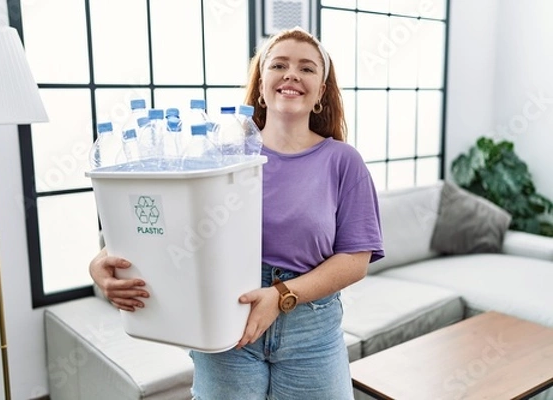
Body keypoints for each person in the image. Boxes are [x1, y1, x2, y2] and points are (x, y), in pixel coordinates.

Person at [89, 26, 384, 400]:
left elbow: (356, 259)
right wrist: (101, 260)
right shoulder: (222, 156)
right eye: (279, 65)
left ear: (320, 91)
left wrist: (280, 296)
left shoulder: (343, 161)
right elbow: (178, 225)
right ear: (261, 85)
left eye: (307, 68)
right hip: (226, 317)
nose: (292, 74)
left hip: (311, 328)